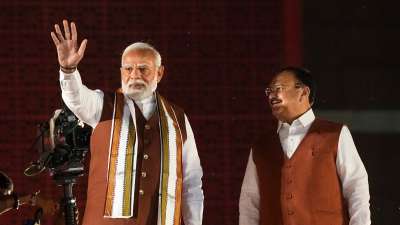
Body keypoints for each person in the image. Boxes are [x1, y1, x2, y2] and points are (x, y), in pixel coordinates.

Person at [50, 19, 204, 225]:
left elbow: (191, 183)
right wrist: (68, 70)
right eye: (128, 69)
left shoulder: (177, 118)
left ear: (159, 73)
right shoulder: (102, 105)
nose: (134, 75)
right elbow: (76, 98)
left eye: (143, 69)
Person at [239, 67, 370, 225]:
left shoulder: (335, 134)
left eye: (279, 88)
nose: (272, 95)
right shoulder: (261, 145)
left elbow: (356, 188)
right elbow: (249, 201)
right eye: (269, 90)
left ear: (303, 92)